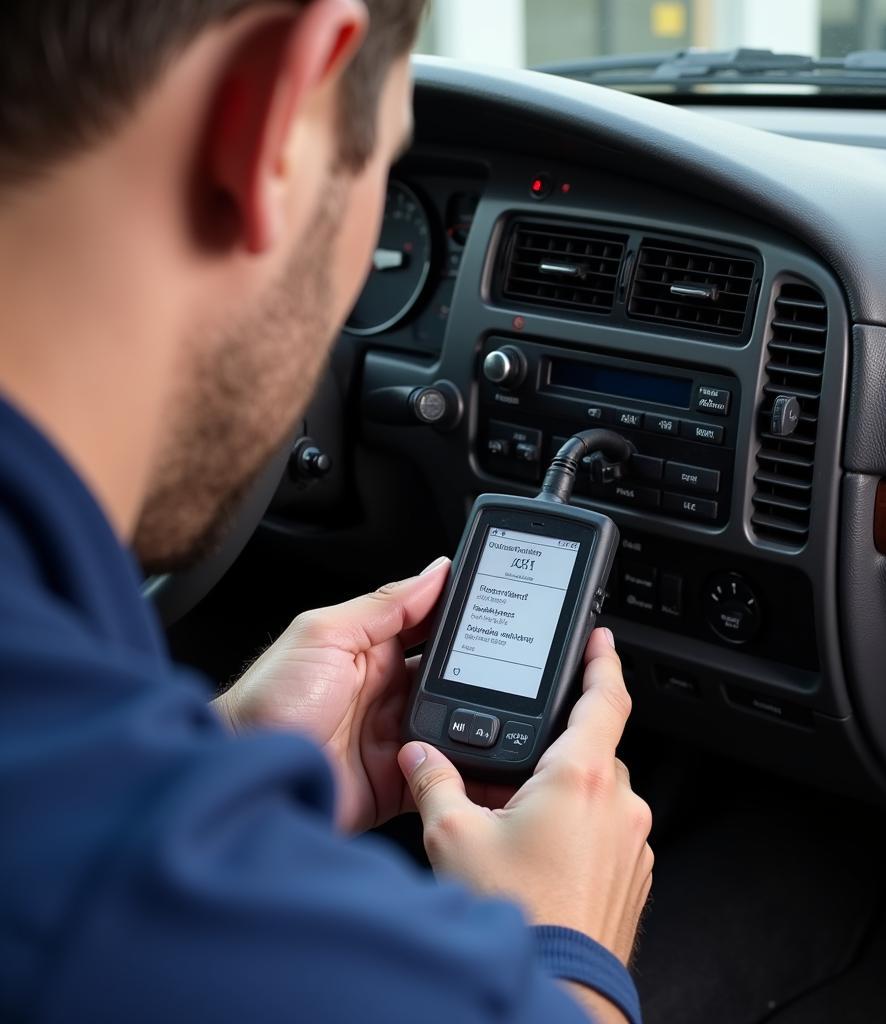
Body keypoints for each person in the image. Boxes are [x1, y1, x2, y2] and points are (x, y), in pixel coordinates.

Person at [0, 2, 654, 1022]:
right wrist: (566, 960)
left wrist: (224, 764)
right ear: (273, 115)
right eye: (378, 172)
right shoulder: (112, 888)